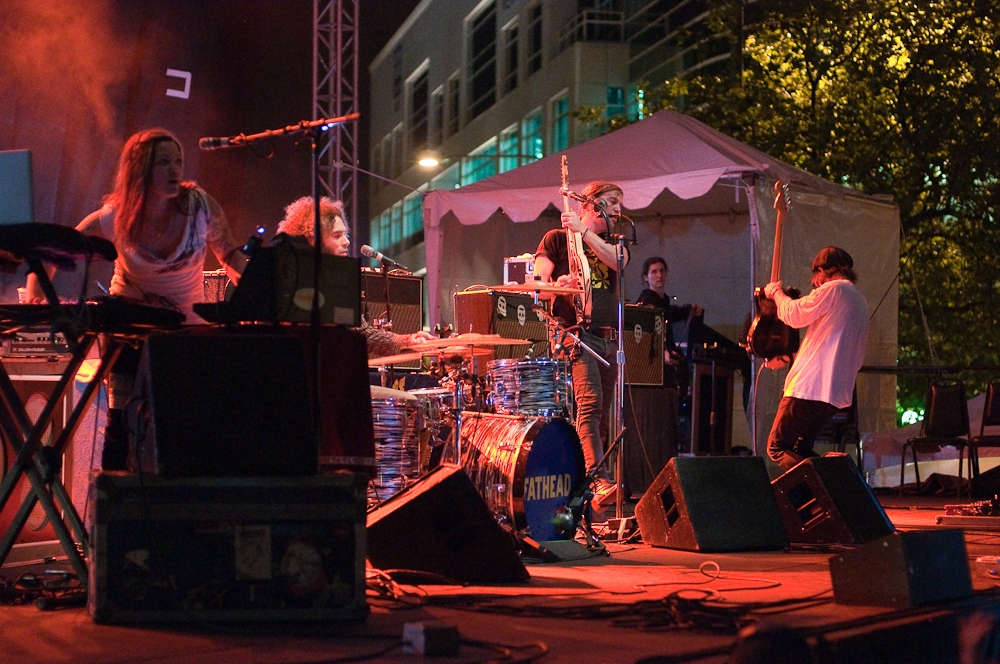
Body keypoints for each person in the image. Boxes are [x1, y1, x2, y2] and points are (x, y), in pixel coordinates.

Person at [25, 128, 247, 469]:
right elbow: (59, 246)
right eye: (163, 163)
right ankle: (115, 492)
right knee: (121, 419)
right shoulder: (114, 215)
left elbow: (229, 255)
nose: (175, 170)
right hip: (127, 324)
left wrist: (257, 287)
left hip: (185, 325)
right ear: (140, 170)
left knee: (182, 419)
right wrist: (36, 292)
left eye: (178, 162)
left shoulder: (200, 207)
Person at [533, 181, 629, 508]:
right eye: (611, 201)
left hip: (608, 338)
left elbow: (620, 261)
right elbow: (537, 288)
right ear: (589, 204)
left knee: (601, 417)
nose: (617, 208)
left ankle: (588, 485)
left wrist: (585, 233)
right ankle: (600, 482)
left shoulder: (614, 241)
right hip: (576, 335)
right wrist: (558, 287)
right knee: (589, 406)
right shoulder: (557, 239)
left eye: (620, 203)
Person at [276, 196, 434, 357]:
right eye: (337, 236)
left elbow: (363, 334)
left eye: (345, 235)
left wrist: (406, 340)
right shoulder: (285, 283)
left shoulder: (337, 283)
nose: (346, 242)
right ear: (312, 240)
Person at [763, 246, 869, 473]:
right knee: (802, 448)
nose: (815, 281)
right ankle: (822, 491)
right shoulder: (858, 299)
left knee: (778, 448)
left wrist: (776, 294)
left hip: (809, 389)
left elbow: (795, 314)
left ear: (824, 271)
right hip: (833, 393)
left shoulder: (834, 289)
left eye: (816, 274)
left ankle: (822, 484)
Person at [635, 256, 703, 388]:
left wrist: (689, 310)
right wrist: (663, 352)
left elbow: (670, 314)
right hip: (653, 361)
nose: (659, 275)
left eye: (662, 271)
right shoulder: (647, 299)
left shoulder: (663, 300)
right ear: (646, 277)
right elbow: (647, 332)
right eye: (654, 272)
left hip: (664, 359)